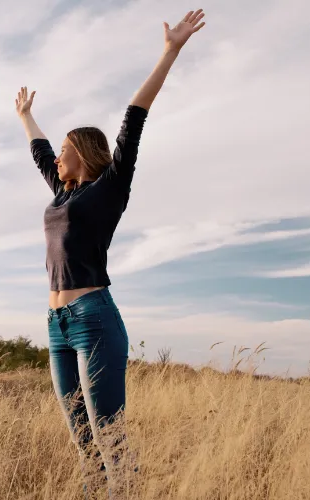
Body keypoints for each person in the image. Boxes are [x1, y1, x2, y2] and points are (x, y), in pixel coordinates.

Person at [15, 9, 206, 497]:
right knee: (83, 443)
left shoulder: (109, 188)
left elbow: (133, 119)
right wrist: (26, 117)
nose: (55, 157)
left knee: (109, 440)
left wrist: (171, 52)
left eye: (63, 149)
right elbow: (40, 153)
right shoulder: (61, 195)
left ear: (82, 150)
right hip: (56, 324)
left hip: (93, 318)